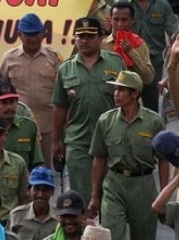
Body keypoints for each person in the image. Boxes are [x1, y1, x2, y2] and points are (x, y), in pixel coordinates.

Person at [52, 18, 126, 204]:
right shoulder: (65, 68)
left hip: (111, 139)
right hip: (79, 141)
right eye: (80, 36)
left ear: (101, 38)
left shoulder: (116, 63)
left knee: (111, 198)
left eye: (90, 36)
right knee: (81, 198)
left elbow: (129, 100)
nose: (84, 40)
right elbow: (60, 107)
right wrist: (56, 140)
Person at [88, 71, 167, 239]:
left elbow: (163, 159)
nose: (116, 94)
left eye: (122, 90)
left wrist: (164, 192)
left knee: (143, 235)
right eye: (115, 89)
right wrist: (95, 196)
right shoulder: (105, 121)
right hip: (114, 184)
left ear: (135, 93)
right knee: (111, 233)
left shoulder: (153, 121)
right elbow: (99, 158)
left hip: (143, 185)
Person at [0, 14, 60, 162]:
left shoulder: (54, 57)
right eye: (28, 35)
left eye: (36, 34)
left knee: (44, 173)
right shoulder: (9, 58)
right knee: (15, 168)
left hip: (47, 128)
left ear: (43, 33)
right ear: (20, 35)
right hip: (17, 127)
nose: (33, 39)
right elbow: (1, 91)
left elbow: (61, 93)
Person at [7, 166, 57, 239]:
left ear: (52, 192)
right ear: (29, 190)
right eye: (36, 189)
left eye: (45, 190)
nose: (40, 195)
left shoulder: (59, 216)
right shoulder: (16, 215)